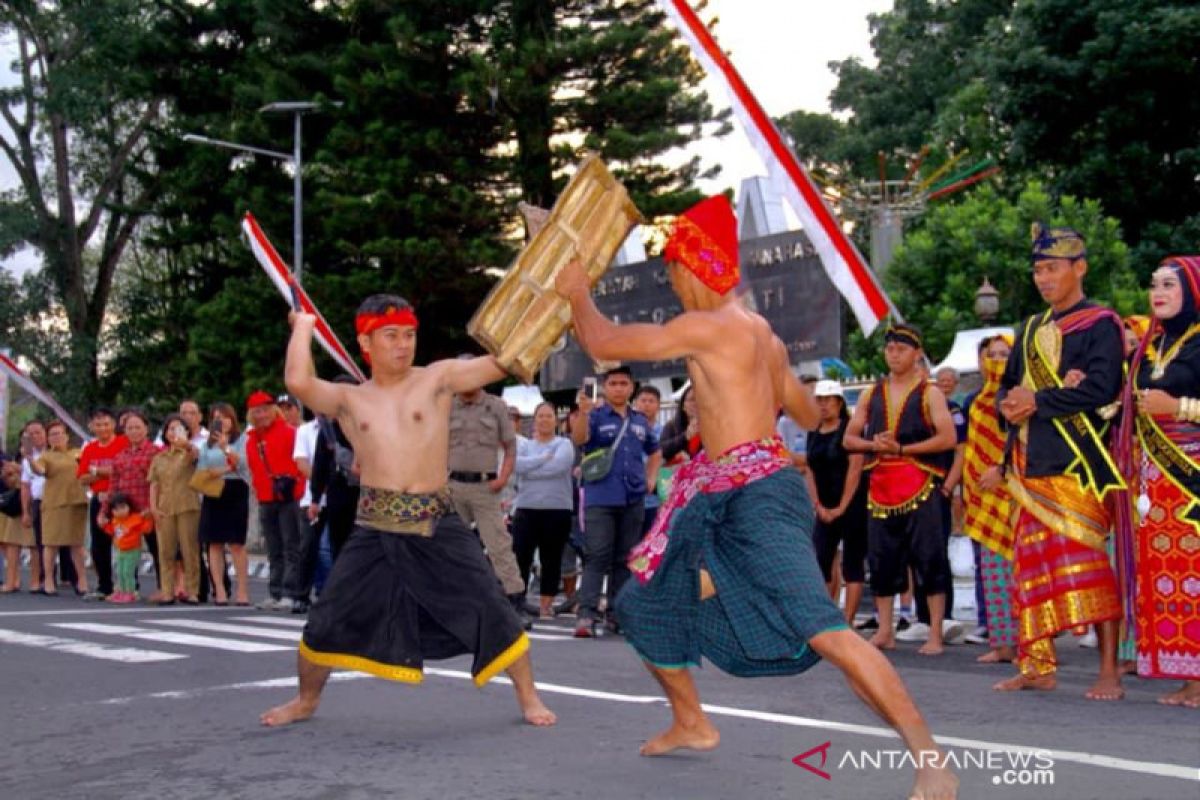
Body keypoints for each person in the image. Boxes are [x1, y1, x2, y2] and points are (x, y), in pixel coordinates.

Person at [555, 195, 956, 799]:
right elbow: (798, 404)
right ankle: (692, 722)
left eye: (672, 271)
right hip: (725, 492)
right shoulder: (757, 331)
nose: (671, 283)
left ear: (693, 268)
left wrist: (576, 291)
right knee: (641, 603)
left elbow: (605, 341)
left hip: (758, 498)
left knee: (826, 631)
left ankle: (929, 758)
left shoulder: (707, 326)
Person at [260, 294, 555, 729]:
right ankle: (306, 700)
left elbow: (500, 362)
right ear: (366, 342)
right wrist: (303, 327)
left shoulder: (437, 379)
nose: (404, 344)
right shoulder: (349, 399)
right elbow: (300, 382)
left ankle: (529, 697)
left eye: (410, 335)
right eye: (392, 336)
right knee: (326, 619)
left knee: (491, 604)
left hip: (437, 519)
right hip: (374, 527)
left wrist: (545, 306)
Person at [995, 223, 1125, 700]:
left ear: (1080, 268)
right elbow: (1007, 388)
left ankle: (1108, 669)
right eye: (1038, 271)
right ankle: (1037, 664)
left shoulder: (1102, 323)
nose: (1043, 279)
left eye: (1052, 269)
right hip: (1030, 464)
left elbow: (1102, 388)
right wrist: (1009, 405)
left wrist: (1039, 401)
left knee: (1091, 565)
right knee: (1031, 570)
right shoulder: (1029, 329)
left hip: (1077, 465)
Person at [1116, 256, 1200, 706]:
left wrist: (1179, 409)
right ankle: (1189, 675)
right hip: (1155, 481)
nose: (1158, 292)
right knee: (1170, 577)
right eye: (1153, 285)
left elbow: (1171, 405)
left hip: (1192, 477)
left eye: (1169, 284)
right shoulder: (1153, 344)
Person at [844, 324, 958, 655]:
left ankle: (935, 631)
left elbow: (948, 438)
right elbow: (849, 439)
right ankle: (884, 629)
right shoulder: (871, 393)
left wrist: (903, 450)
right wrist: (873, 443)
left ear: (916, 354)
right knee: (881, 559)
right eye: (890, 349)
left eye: (902, 350)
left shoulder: (930, 393)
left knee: (930, 557)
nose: (894, 355)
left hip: (919, 483)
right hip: (880, 486)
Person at [568, 366, 662, 637]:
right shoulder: (595, 415)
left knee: (625, 559)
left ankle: (617, 614)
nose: (619, 388)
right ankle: (586, 615)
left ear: (631, 387)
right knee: (597, 555)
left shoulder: (640, 420)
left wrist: (651, 478)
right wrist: (583, 412)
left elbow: (655, 452)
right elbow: (579, 439)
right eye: (613, 383)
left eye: (623, 383)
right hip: (600, 496)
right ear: (605, 387)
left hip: (633, 498)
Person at [446, 373, 527, 626]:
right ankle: (452, 602)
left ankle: (515, 601)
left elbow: (510, 447)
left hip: (486, 486)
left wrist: (503, 477)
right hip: (453, 485)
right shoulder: (445, 405)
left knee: (498, 545)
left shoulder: (495, 406)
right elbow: (433, 444)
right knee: (449, 546)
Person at [961, 334, 1017, 664]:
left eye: (1003, 354)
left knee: (1020, 573)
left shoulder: (1020, 397)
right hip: (981, 495)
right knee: (992, 571)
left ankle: (1031, 644)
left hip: (1014, 493)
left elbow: (1024, 440)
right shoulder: (977, 400)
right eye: (991, 355)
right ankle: (1002, 643)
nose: (996, 361)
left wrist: (1003, 468)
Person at [803, 380, 868, 625]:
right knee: (821, 558)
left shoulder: (850, 429)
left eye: (828, 400)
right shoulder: (814, 431)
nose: (823, 405)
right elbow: (810, 469)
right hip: (824, 504)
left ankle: (848, 618)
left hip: (850, 503)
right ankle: (825, 614)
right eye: (819, 400)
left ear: (839, 403)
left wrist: (842, 506)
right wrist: (818, 505)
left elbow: (855, 468)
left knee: (852, 562)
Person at [512, 402, 575, 619]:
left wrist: (532, 467)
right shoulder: (524, 445)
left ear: (556, 420)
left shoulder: (564, 444)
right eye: (541, 416)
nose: (545, 420)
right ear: (535, 419)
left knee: (552, 558)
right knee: (521, 557)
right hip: (526, 507)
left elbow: (558, 467)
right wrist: (541, 459)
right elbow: (516, 465)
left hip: (557, 509)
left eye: (549, 416)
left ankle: (546, 604)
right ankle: (517, 601)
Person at [244, 391, 304, 612]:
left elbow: (300, 463)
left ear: (273, 410)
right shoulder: (252, 439)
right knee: (273, 548)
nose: (262, 415)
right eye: (257, 411)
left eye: (265, 410)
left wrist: (295, 486)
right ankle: (275, 591)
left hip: (289, 497)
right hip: (266, 498)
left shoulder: (290, 432)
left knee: (291, 546)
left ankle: (290, 592)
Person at [196, 403, 252, 606]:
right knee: (214, 542)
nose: (222, 421)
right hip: (214, 491)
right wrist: (223, 469)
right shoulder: (206, 444)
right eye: (217, 417)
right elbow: (203, 470)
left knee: (237, 542)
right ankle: (219, 589)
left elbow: (243, 464)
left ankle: (242, 590)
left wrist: (226, 448)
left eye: (226, 417)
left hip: (236, 489)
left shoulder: (243, 439)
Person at [103, 410, 162, 596]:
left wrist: (154, 507)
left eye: (138, 427)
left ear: (146, 429)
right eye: (130, 428)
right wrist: (104, 512)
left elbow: (161, 483)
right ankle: (128, 588)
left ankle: (164, 588)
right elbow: (112, 487)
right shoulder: (120, 456)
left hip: (148, 510)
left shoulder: (156, 453)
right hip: (125, 514)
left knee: (158, 550)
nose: (134, 431)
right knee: (125, 551)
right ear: (124, 431)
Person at [147, 414, 201, 604]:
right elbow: (154, 484)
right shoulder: (159, 457)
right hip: (165, 508)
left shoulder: (190, 452)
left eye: (179, 428)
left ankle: (192, 590)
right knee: (166, 551)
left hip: (187, 506)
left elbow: (195, 456)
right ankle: (168, 591)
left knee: (189, 550)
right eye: (171, 429)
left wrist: (185, 443)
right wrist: (153, 507)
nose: (174, 432)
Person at [32, 421, 89, 596]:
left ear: (67, 435)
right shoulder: (45, 456)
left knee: (76, 544)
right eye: (53, 435)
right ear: (48, 439)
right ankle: (48, 580)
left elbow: (89, 470)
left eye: (59, 433)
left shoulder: (78, 454)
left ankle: (82, 580)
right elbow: (40, 470)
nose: (57, 437)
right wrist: (28, 458)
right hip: (54, 503)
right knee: (50, 543)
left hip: (76, 502)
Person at [76, 407, 128, 601]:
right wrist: (102, 473)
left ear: (114, 425)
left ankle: (129, 585)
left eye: (106, 424)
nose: (103, 428)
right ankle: (104, 585)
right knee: (98, 545)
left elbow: (122, 470)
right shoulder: (90, 448)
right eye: (98, 425)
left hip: (123, 499)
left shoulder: (124, 442)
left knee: (126, 542)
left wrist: (96, 471)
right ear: (91, 427)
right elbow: (81, 478)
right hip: (98, 499)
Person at [103, 492, 153, 604]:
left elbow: (146, 529)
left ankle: (130, 592)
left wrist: (148, 519)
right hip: (120, 550)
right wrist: (105, 525)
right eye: (116, 509)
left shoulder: (135, 518)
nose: (120, 511)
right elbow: (111, 531)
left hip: (132, 549)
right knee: (119, 571)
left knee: (127, 572)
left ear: (129, 507)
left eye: (123, 507)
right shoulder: (115, 521)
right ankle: (121, 591)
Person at [19, 420, 51, 592]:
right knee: (41, 542)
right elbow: (25, 485)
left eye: (38, 432)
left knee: (65, 542)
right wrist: (25, 511)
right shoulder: (28, 459)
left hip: (56, 502)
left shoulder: (55, 453)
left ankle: (72, 579)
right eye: (30, 434)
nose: (35, 436)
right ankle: (45, 579)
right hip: (38, 502)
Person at [0, 459, 33, 592]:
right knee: (5, 543)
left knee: (14, 542)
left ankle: (26, 581)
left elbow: (13, 479)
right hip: (8, 503)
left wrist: (14, 471)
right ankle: (13, 579)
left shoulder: (7, 459)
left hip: (13, 503)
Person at [659, 386, 701, 463]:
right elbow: (661, 450)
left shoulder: (714, 427)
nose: (696, 403)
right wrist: (685, 437)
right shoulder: (671, 426)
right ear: (683, 406)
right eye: (692, 399)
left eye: (700, 399)